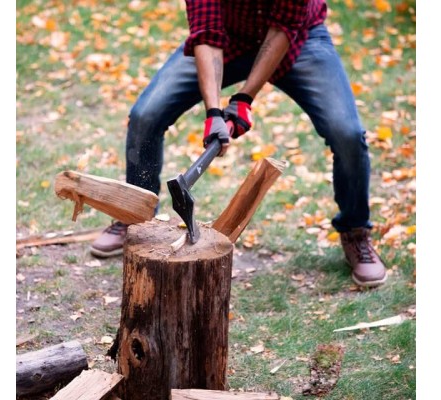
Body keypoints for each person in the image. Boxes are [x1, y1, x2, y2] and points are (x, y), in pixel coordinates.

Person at [90, 0, 387, 287]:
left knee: (347, 133)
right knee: (146, 115)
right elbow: (206, 32)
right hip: (226, 37)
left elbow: (283, 27)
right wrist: (214, 112)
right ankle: (134, 217)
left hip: (298, 39)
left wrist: (244, 99)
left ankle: (355, 231)